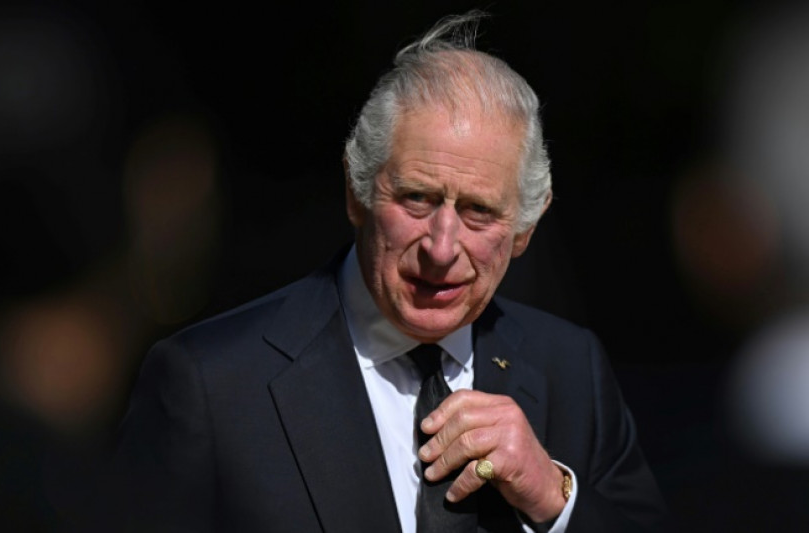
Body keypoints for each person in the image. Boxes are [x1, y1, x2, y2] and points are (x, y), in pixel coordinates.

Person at [113, 11, 668, 533]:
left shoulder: (572, 369)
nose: (442, 248)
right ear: (356, 193)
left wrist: (554, 496)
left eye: (478, 211)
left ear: (525, 228)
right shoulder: (210, 384)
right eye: (417, 198)